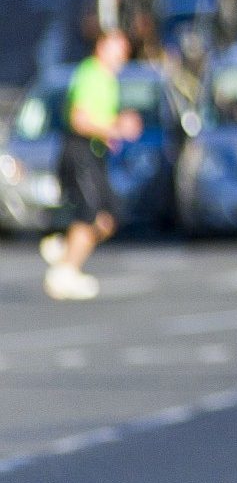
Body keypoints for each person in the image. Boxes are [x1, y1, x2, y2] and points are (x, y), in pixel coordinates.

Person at [42, 30, 142, 301]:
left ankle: (65, 249)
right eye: (116, 49)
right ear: (100, 47)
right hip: (79, 151)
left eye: (124, 50)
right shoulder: (91, 74)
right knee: (89, 212)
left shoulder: (109, 80)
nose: (122, 56)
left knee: (110, 215)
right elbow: (79, 120)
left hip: (95, 154)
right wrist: (114, 128)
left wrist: (113, 130)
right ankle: (66, 272)